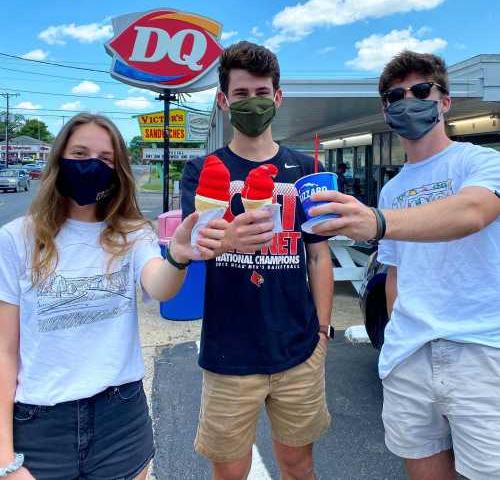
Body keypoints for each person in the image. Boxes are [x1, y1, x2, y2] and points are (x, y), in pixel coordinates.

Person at [0, 113, 227, 480]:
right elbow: (4, 350)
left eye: (106, 158)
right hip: (39, 421)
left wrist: (179, 256)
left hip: (119, 417)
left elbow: (159, 285)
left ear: (118, 169)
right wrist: (4, 457)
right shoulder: (16, 239)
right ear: (58, 158)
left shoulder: (132, 233)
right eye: (80, 153)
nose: (92, 164)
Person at [309, 50, 500, 480]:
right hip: (409, 355)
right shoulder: (393, 189)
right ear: (386, 109)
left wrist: (375, 221)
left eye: (420, 90)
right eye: (396, 95)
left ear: (444, 101)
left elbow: (472, 213)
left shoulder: (482, 163)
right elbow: (395, 275)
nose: (408, 100)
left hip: (480, 351)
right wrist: (396, 336)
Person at [181, 41, 334, 480]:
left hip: (299, 349)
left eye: (262, 92)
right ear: (223, 101)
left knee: (298, 466)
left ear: (278, 97)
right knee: (230, 472)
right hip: (228, 351)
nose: (253, 102)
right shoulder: (203, 169)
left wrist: (322, 332)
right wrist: (227, 238)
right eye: (242, 94)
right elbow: (192, 246)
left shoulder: (304, 169)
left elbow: (318, 256)